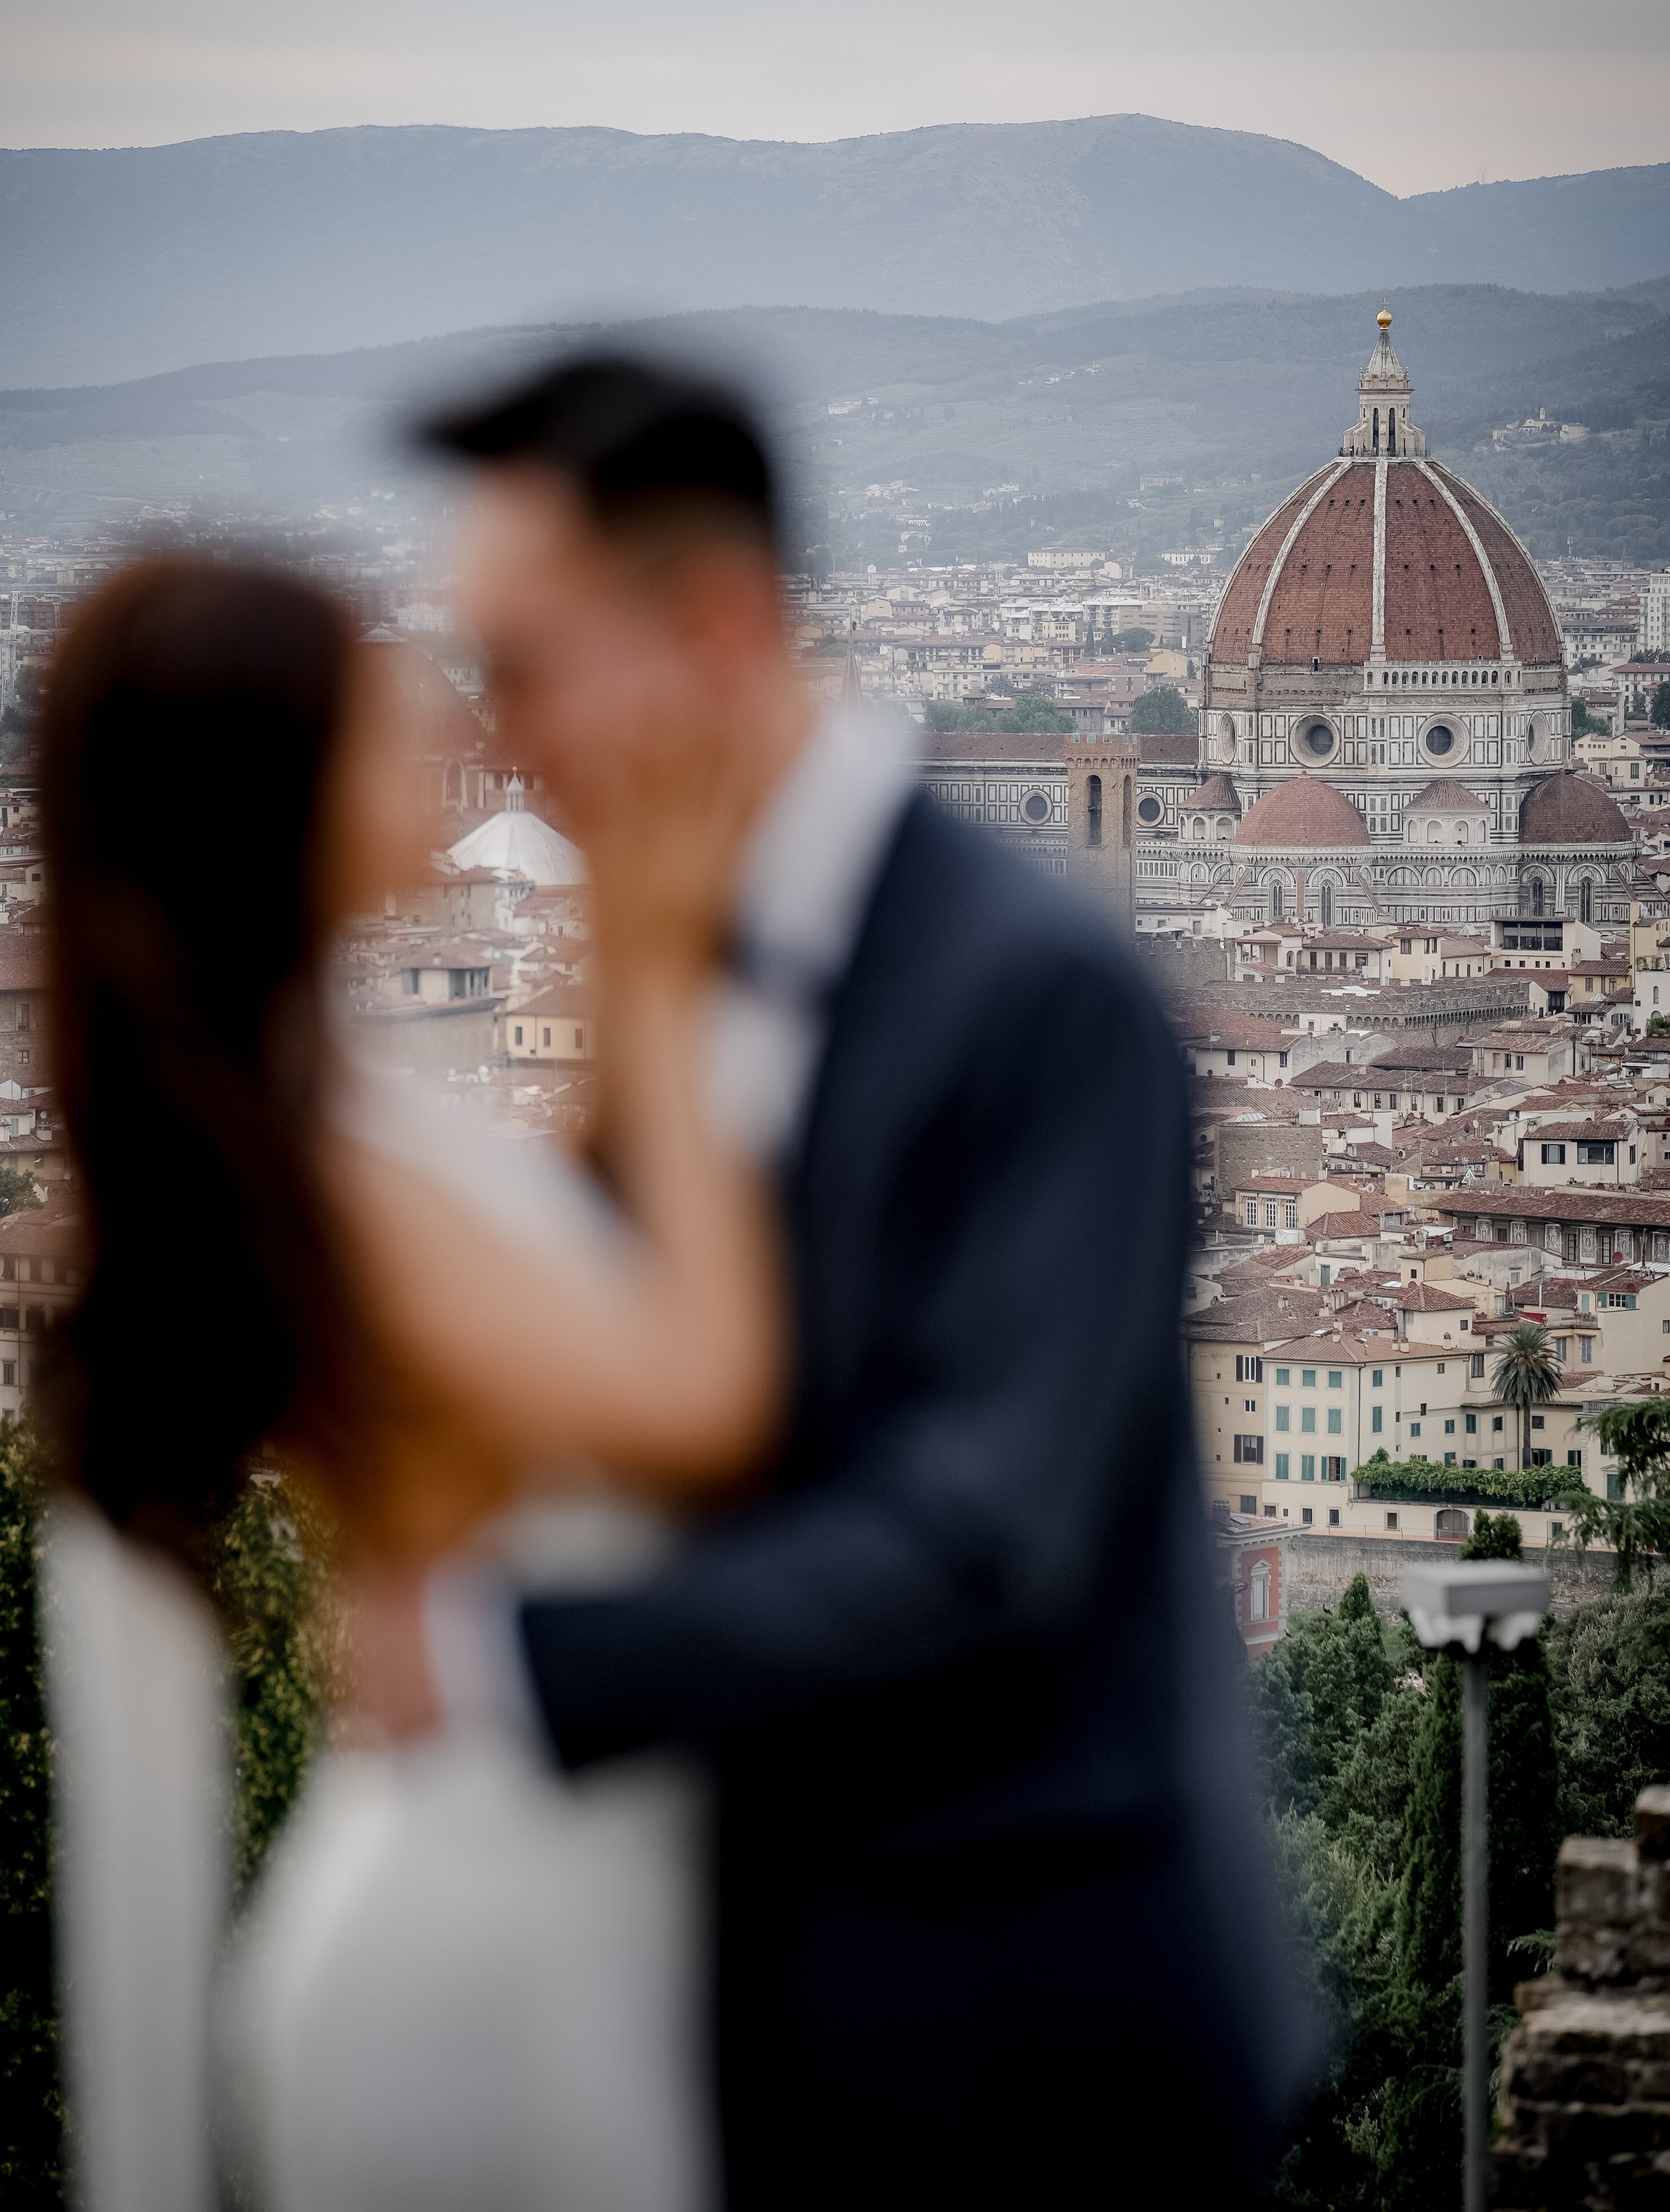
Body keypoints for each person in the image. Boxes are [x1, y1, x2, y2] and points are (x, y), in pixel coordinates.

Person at [367, 353, 1319, 2209]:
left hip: (1037, 2047)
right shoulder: (660, 953)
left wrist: (504, 1666)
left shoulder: (1040, 985)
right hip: (762, 2022)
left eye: (529, 665)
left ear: (718, 626)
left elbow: (986, 1535)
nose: (498, 733)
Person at [35, 557, 781, 2212]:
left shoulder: (328, 1110)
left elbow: (561, 1300)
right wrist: (655, 974)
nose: (449, 735)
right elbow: (706, 1395)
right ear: (279, 799)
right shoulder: (337, 1160)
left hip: (535, 1884)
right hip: (471, 1947)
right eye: (391, 725)